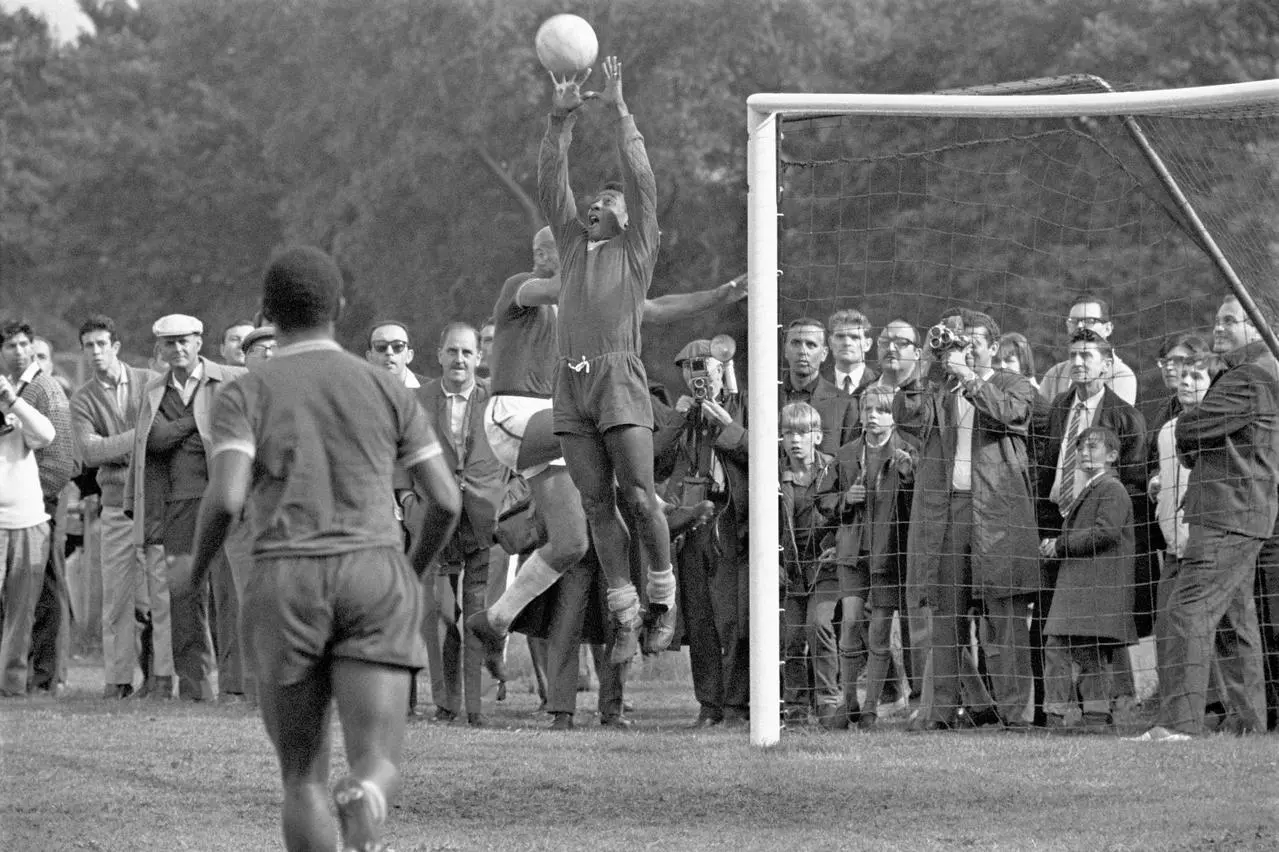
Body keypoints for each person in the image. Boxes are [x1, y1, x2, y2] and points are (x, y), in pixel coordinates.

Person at [189, 245, 459, 852]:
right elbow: (445, 500)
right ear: (339, 307)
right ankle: (366, 793)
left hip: (285, 578)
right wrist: (408, 571)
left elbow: (227, 499)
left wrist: (196, 568)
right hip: (373, 572)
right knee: (377, 760)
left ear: (266, 313)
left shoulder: (245, 392)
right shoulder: (388, 390)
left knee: (301, 776)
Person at [466, 221, 746, 719]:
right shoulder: (522, 287)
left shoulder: (587, 310)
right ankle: (659, 506)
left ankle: (495, 619)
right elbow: (572, 285)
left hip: (555, 428)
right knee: (611, 419)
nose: (577, 258)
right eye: (564, 251)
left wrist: (722, 294)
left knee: (571, 542)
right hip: (517, 415)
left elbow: (655, 308)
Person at [535, 55, 677, 658]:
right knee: (596, 503)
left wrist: (621, 112)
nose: (597, 203)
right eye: (594, 200)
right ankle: (624, 609)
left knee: (638, 498)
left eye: (608, 200)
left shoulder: (637, 250)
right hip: (571, 385)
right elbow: (551, 185)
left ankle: (663, 598)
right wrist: (560, 122)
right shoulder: (571, 248)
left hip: (620, 378)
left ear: (628, 219)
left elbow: (641, 181)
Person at [1133, 295, 1279, 741]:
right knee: (1237, 623)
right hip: (1244, 513)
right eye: (1217, 320)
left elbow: (1190, 428)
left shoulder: (1248, 377)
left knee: (1186, 611)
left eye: (1230, 321)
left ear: (1256, 327)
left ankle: (1178, 725)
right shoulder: (1254, 374)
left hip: (1226, 513)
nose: (1219, 328)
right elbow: (1199, 434)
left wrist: (1190, 427)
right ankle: (1249, 724)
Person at [895, 309, 1041, 730]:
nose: (966, 346)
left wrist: (969, 376)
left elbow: (1010, 413)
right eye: (959, 339)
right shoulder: (940, 386)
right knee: (945, 616)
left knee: (1005, 615)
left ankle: (1017, 715)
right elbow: (906, 419)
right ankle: (939, 712)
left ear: (994, 347)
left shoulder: (1012, 382)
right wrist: (925, 362)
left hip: (997, 510)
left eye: (974, 339)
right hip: (948, 511)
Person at [124, 313, 246, 701]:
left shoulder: (231, 379)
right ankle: (194, 686)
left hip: (226, 499)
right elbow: (150, 444)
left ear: (199, 342)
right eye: (169, 343)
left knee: (229, 593)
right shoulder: (152, 391)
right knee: (184, 594)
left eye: (185, 341)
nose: (177, 349)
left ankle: (235, 685)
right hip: (177, 502)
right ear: (158, 348)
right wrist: (193, 425)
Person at [654, 338, 749, 728]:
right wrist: (678, 420)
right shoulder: (682, 416)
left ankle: (738, 704)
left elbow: (760, 455)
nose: (698, 377)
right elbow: (655, 465)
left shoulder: (743, 407)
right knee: (702, 621)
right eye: (689, 369)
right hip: (692, 525)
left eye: (704, 367)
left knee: (733, 619)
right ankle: (709, 704)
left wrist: (727, 426)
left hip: (729, 525)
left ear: (720, 370)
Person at [413, 322, 503, 726]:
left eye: (467, 353)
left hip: (486, 521)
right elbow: (401, 455)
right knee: (444, 615)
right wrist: (404, 495)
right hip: (438, 521)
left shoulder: (498, 399)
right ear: (439, 354)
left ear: (478, 358)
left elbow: (520, 454)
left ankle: (476, 708)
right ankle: (445, 704)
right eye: (453, 352)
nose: (460, 360)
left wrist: (510, 501)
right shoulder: (418, 399)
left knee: (478, 616)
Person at [68, 315, 156, 698]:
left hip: (154, 502)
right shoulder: (82, 398)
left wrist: (114, 447)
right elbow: (89, 451)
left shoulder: (149, 382)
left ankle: (160, 677)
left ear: (116, 346)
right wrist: (139, 438)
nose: (96, 352)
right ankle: (118, 679)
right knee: (116, 597)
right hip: (117, 504)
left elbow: (163, 437)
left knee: (157, 597)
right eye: (88, 345)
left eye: (102, 343)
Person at [1038, 426, 1139, 730]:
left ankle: (1061, 714)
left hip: (1097, 585)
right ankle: (1092, 716)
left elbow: (1105, 532)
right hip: (1085, 585)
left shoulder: (1112, 489)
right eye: (1081, 447)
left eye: (1092, 447)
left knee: (1063, 647)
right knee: (1084, 649)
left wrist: (1060, 544)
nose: (1084, 452)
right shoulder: (1095, 487)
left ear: (1112, 455)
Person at [1149, 337, 1228, 724]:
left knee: (1218, 630)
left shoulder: (1224, 428)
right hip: (1173, 548)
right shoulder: (1166, 430)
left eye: (1195, 375)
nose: (1184, 380)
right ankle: (1173, 711)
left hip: (1210, 543)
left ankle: (1221, 709)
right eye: (1181, 373)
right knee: (1169, 630)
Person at [833, 385, 917, 730]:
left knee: (881, 630)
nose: (872, 416)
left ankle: (870, 708)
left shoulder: (906, 452)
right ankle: (847, 700)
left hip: (888, 554)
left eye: (881, 410)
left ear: (894, 416)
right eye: (867, 409)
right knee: (851, 622)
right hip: (853, 552)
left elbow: (918, 508)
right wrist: (844, 500)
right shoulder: (847, 453)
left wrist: (910, 477)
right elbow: (823, 502)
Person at [0, 321, 76, 697]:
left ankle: (41, 678)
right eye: (10, 345)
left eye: (24, 344)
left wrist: (36, 495)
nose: (19, 351)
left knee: (39, 599)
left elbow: (59, 453)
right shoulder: (20, 386)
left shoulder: (42, 387)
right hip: (18, 510)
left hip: (36, 509)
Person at [778, 401, 843, 727]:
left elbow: (848, 516)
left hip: (826, 567)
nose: (795, 440)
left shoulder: (833, 468)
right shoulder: (772, 473)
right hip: (790, 570)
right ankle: (796, 705)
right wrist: (773, 560)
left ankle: (829, 701)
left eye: (803, 432)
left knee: (818, 625)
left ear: (817, 437)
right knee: (790, 636)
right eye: (788, 432)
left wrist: (837, 547)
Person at [0, 370, 56, 697]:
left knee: (21, 613)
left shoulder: (16, 412)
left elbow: (46, 435)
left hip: (27, 523)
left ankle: (10, 686)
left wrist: (13, 401)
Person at [1038, 296, 1137, 404]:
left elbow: (1111, 419)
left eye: (1089, 321)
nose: (1080, 326)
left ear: (1108, 329)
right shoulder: (1055, 374)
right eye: (1073, 321)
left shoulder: (1121, 375)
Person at [781, 317, 857, 454]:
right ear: (785, 350)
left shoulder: (844, 404)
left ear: (824, 354)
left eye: (811, 345)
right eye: (796, 343)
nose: (802, 351)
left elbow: (849, 463)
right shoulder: (762, 398)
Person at [826, 309, 879, 398]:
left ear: (867, 344)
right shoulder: (818, 383)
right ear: (830, 343)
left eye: (855, 337)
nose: (847, 343)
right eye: (840, 336)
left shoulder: (879, 383)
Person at [366, 321, 426, 389]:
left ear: (409, 356)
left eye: (397, 346)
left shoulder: (433, 390)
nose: (389, 352)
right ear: (369, 357)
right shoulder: (356, 391)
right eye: (381, 346)